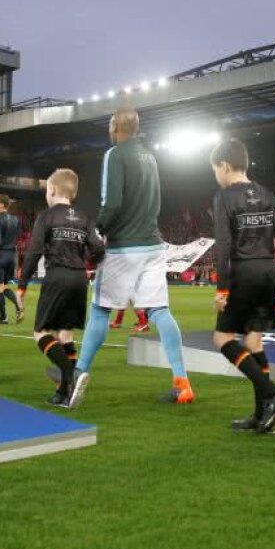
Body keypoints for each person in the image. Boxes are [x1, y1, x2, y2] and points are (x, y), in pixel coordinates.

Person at [74, 108, 195, 404]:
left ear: (115, 126)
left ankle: (77, 373)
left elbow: (112, 203)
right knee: (160, 311)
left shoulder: (115, 155)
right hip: (153, 244)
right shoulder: (149, 156)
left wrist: (98, 228)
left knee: (101, 309)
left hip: (124, 247)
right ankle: (182, 383)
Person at [209, 139, 275, 433]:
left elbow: (223, 246)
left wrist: (222, 290)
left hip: (243, 273)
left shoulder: (224, 197)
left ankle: (272, 393)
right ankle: (263, 417)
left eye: (214, 171)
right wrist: (273, 249)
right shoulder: (266, 194)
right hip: (268, 271)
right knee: (253, 343)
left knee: (222, 339)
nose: (216, 177)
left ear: (224, 166)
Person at [17, 169, 102, 407]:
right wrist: (85, 258)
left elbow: (33, 252)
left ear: (52, 190)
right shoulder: (85, 218)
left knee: (41, 333)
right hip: (79, 278)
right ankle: (65, 392)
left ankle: (70, 373)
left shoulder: (47, 216)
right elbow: (98, 249)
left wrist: (22, 286)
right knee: (65, 333)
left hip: (57, 276)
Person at [0, 195, 23, 324]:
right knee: (4, 287)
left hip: (0, 256)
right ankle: (18, 305)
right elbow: (17, 238)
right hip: (11, 257)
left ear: (2, 205)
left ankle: (3, 318)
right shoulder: (16, 219)